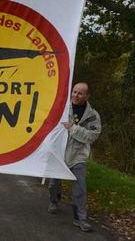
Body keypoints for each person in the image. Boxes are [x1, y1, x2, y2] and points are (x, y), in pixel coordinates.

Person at [47, 82, 101, 232]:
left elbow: (92, 136)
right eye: (74, 92)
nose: (76, 95)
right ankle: (53, 201)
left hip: (78, 156)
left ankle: (80, 219)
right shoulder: (62, 107)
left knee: (80, 189)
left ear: (87, 96)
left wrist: (73, 128)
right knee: (53, 183)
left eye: (80, 93)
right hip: (59, 153)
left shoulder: (93, 115)